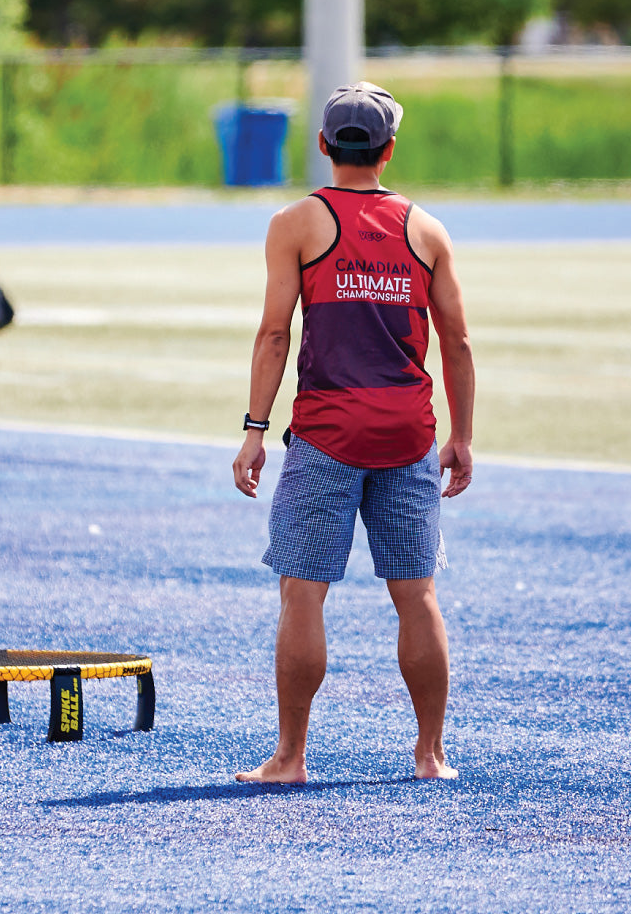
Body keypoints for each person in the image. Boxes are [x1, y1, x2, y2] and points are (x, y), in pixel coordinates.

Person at [232, 81, 475, 784]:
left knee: (303, 591)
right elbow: (457, 342)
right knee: (416, 593)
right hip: (408, 433)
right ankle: (430, 755)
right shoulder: (427, 230)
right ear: (389, 149)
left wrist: (254, 429)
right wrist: (462, 436)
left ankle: (290, 758)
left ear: (323, 145)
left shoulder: (296, 224)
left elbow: (274, 333)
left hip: (326, 433)